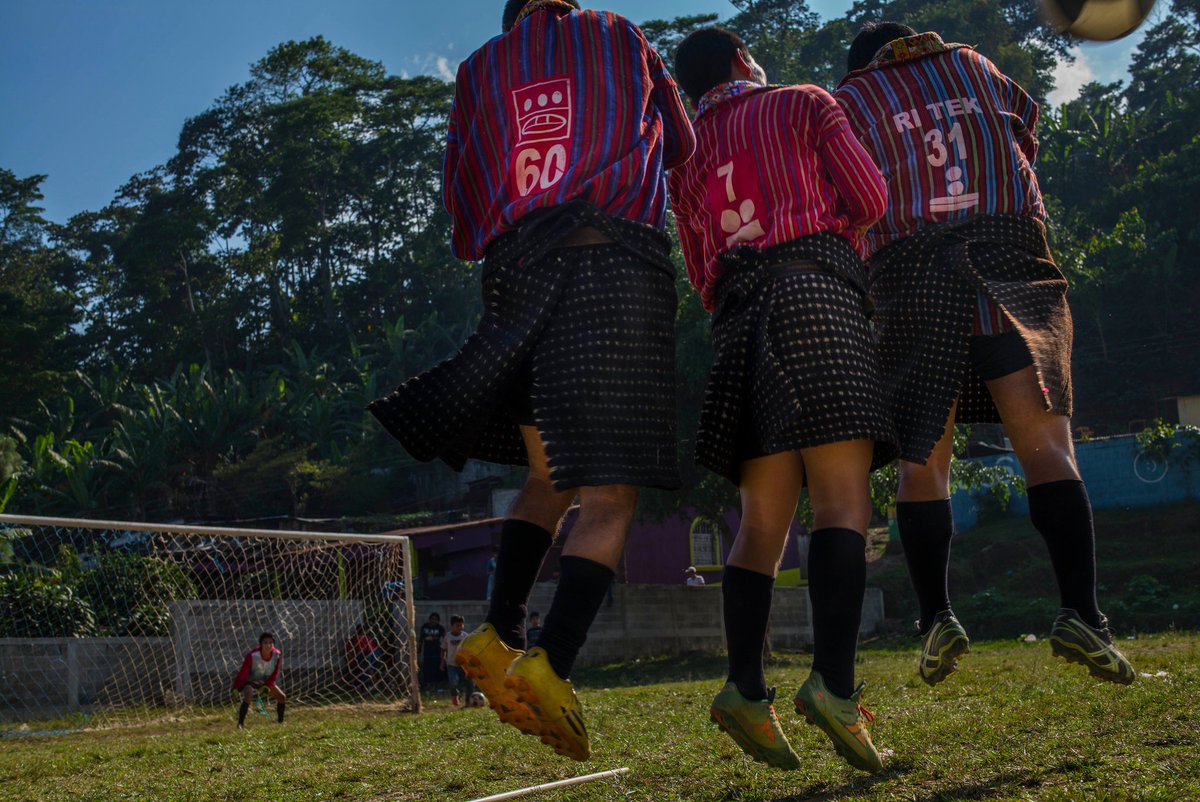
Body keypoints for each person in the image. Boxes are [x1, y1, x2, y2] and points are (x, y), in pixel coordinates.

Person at [368, 0, 694, 761]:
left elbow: (462, 192)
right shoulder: (615, 32)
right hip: (610, 262)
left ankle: (499, 628)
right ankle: (552, 667)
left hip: (516, 270)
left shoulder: (482, 67)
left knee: (548, 474)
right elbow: (679, 142)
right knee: (611, 490)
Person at [835, 22, 1134, 686]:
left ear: (863, 64)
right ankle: (1082, 613)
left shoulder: (851, 99)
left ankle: (938, 617)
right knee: (1047, 449)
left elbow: (847, 200)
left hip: (910, 276)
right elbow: (1026, 135)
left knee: (924, 466)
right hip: (1008, 257)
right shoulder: (972, 64)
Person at [669, 26, 897, 772]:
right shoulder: (803, 102)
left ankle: (743, 686)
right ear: (741, 61)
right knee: (840, 501)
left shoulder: (684, 154)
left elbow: (701, 266)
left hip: (738, 319)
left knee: (761, 522)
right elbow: (868, 198)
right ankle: (834, 685)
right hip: (814, 294)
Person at [232, 632, 286, 727]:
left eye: (270, 643)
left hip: (264, 682)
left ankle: (280, 722)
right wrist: (236, 687)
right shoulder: (252, 656)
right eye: (265, 643)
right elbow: (243, 673)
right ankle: (240, 724)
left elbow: (275, 673)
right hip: (250, 681)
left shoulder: (277, 655)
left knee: (282, 697)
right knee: (248, 696)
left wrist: (267, 686)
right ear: (261, 644)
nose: (268, 645)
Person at [441, 615, 472, 706]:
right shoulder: (448, 636)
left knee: (470, 682)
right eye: (457, 625)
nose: (459, 627)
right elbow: (443, 649)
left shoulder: (466, 636)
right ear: (452, 626)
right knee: (453, 682)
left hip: (464, 665)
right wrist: (442, 661)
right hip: (452, 664)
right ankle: (455, 695)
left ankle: (468, 700)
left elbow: (470, 650)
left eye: (461, 625)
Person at [419, 613, 446, 692]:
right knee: (427, 669)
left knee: (436, 668)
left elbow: (445, 638)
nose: (433, 621)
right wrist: (419, 648)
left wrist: (444, 648)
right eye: (432, 619)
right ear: (429, 619)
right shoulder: (425, 627)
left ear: (438, 621)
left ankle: (436, 685)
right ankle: (428, 685)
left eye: (435, 619)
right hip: (427, 651)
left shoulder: (440, 628)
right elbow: (421, 638)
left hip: (436, 651)